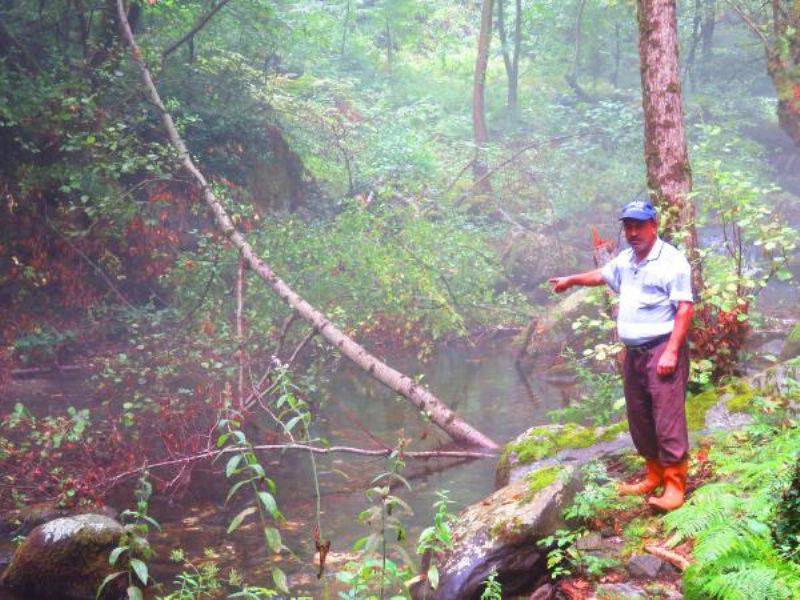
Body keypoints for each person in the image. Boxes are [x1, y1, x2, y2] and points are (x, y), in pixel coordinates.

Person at [549, 200, 694, 511]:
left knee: (667, 418)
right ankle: (653, 475)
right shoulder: (627, 260)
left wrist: (671, 351)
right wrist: (571, 280)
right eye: (628, 226)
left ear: (654, 226)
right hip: (635, 354)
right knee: (640, 416)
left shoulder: (672, 261)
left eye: (638, 225)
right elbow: (602, 274)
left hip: (661, 348)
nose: (632, 232)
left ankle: (675, 485)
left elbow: (684, 308)